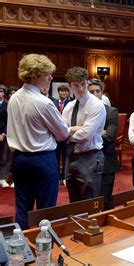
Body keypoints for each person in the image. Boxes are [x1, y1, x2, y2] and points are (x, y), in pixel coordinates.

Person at [8, 54, 69, 229]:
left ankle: (23, 250)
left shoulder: (13, 98)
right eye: (47, 74)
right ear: (35, 76)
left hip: (19, 160)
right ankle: (44, 251)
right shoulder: (44, 102)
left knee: (22, 208)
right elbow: (63, 133)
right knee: (46, 211)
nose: (51, 78)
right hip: (42, 159)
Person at [62, 67, 106, 203]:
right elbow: (59, 132)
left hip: (90, 157)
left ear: (87, 82)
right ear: (70, 86)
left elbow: (86, 135)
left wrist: (67, 132)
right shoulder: (69, 106)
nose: (80, 88)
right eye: (76, 85)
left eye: (83, 84)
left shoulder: (96, 105)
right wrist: (74, 129)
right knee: (73, 201)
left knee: (89, 203)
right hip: (70, 157)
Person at [88, 79, 119, 210]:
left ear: (102, 93)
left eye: (97, 91)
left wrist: (86, 131)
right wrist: (99, 131)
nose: (95, 94)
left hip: (107, 161)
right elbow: (72, 135)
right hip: (87, 161)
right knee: (88, 202)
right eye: (91, 92)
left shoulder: (111, 111)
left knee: (105, 201)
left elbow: (110, 137)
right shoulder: (82, 111)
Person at [53, 84, 71, 185]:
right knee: (55, 157)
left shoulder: (71, 103)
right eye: (61, 91)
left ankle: (64, 176)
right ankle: (56, 177)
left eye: (66, 91)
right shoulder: (52, 103)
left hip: (66, 135)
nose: (63, 93)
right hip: (55, 135)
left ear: (68, 93)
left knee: (65, 157)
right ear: (58, 92)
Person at [0, 85, 10, 188]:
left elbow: (9, 121)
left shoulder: (7, 104)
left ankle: (2, 178)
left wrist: (3, 134)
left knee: (4, 157)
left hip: (4, 134)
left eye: (1, 91)